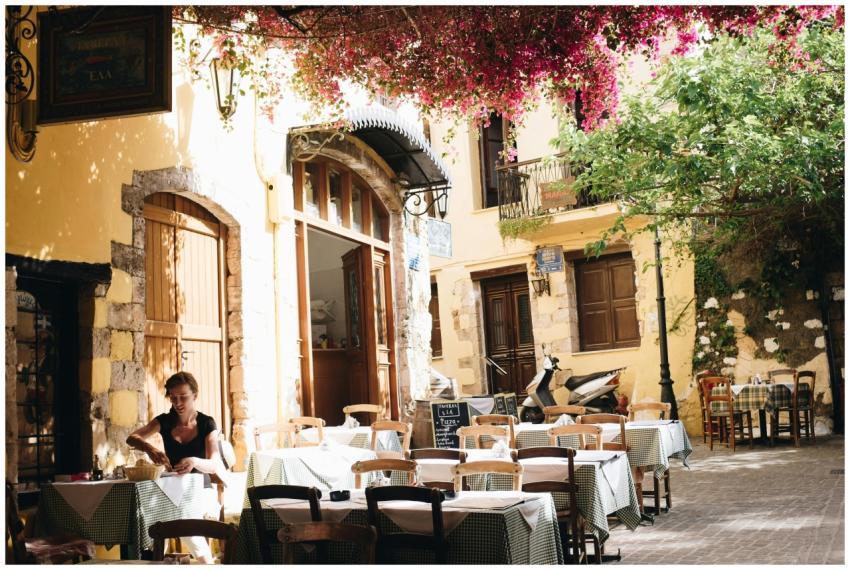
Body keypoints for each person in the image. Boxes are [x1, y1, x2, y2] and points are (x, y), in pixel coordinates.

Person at [127, 372, 225, 563]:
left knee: (184, 521)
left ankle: (207, 563)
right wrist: (149, 448)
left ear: (195, 396)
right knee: (151, 520)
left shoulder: (207, 423)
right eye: (173, 398)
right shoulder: (164, 420)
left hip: (201, 490)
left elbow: (214, 464)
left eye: (183, 397)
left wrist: (195, 461)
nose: (178, 403)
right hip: (170, 490)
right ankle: (156, 560)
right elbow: (132, 438)